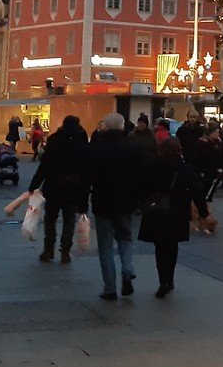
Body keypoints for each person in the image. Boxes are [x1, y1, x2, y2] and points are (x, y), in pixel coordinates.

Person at [87, 113, 147, 300]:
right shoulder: (133, 146)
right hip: (127, 202)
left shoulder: (96, 147)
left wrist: (82, 202)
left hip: (102, 201)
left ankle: (110, 288)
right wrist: (140, 199)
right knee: (125, 237)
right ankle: (127, 268)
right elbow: (143, 174)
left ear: (104, 126)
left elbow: (87, 176)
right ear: (122, 126)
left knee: (105, 245)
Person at [138, 137, 207, 297]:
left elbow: (143, 187)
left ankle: (163, 280)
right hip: (177, 211)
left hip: (156, 211)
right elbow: (196, 191)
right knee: (172, 246)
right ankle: (169, 278)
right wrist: (203, 212)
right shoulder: (185, 168)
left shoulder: (153, 165)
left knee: (160, 247)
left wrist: (142, 204)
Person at [28, 116, 91, 263]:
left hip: (54, 186)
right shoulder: (82, 142)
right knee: (69, 219)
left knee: (50, 218)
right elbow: (86, 169)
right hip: (73, 187)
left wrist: (34, 185)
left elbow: (44, 166)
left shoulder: (55, 139)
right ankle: (65, 251)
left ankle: (48, 249)